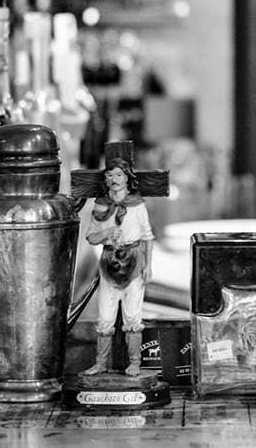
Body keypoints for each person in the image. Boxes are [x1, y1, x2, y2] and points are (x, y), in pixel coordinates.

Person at [81, 157, 154, 377]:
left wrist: (148, 265)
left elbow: (147, 236)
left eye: (119, 175)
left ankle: (135, 362)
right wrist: (106, 233)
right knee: (105, 316)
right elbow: (91, 237)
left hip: (133, 261)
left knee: (132, 316)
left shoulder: (137, 205)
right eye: (110, 175)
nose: (114, 179)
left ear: (127, 179)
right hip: (109, 262)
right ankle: (101, 363)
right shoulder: (101, 205)